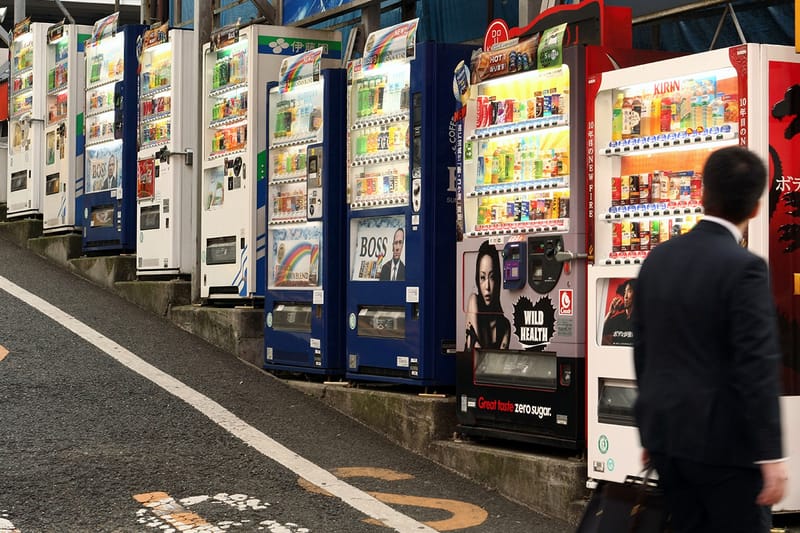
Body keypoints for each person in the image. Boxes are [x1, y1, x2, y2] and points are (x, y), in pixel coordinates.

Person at [632, 146, 787, 532]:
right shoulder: (746, 268)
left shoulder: (658, 258)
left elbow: (643, 350)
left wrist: (650, 432)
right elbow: (757, 366)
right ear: (756, 207)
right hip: (726, 450)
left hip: (667, 440)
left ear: (703, 194)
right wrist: (770, 455)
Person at [465, 240, 511, 350]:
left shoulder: (505, 325)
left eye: (492, 277)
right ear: (477, 280)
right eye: (482, 277)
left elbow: (502, 359)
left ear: (498, 280)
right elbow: (476, 348)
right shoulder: (473, 301)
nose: (487, 287)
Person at [601, 279, 635, 346]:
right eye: (625, 292)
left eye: (629, 291)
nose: (625, 296)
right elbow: (598, 333)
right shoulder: (617, 319)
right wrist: (610, 313)